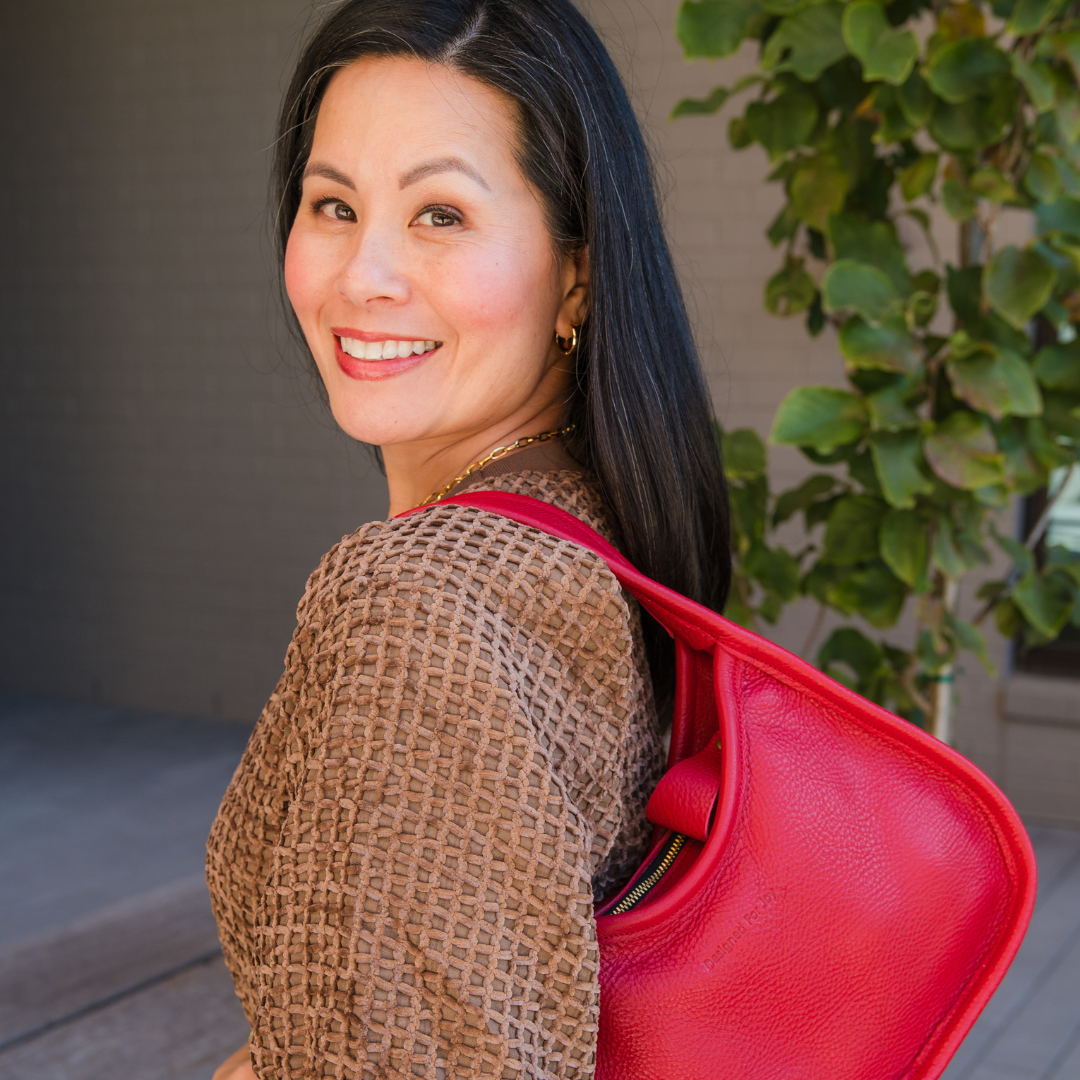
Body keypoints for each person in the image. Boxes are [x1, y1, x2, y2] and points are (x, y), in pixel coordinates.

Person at [207, 1, 729, 1076]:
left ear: (577, 273)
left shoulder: (419, 603)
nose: (364, 274)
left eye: (439, 214)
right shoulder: (592, 524)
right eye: (334, 205)